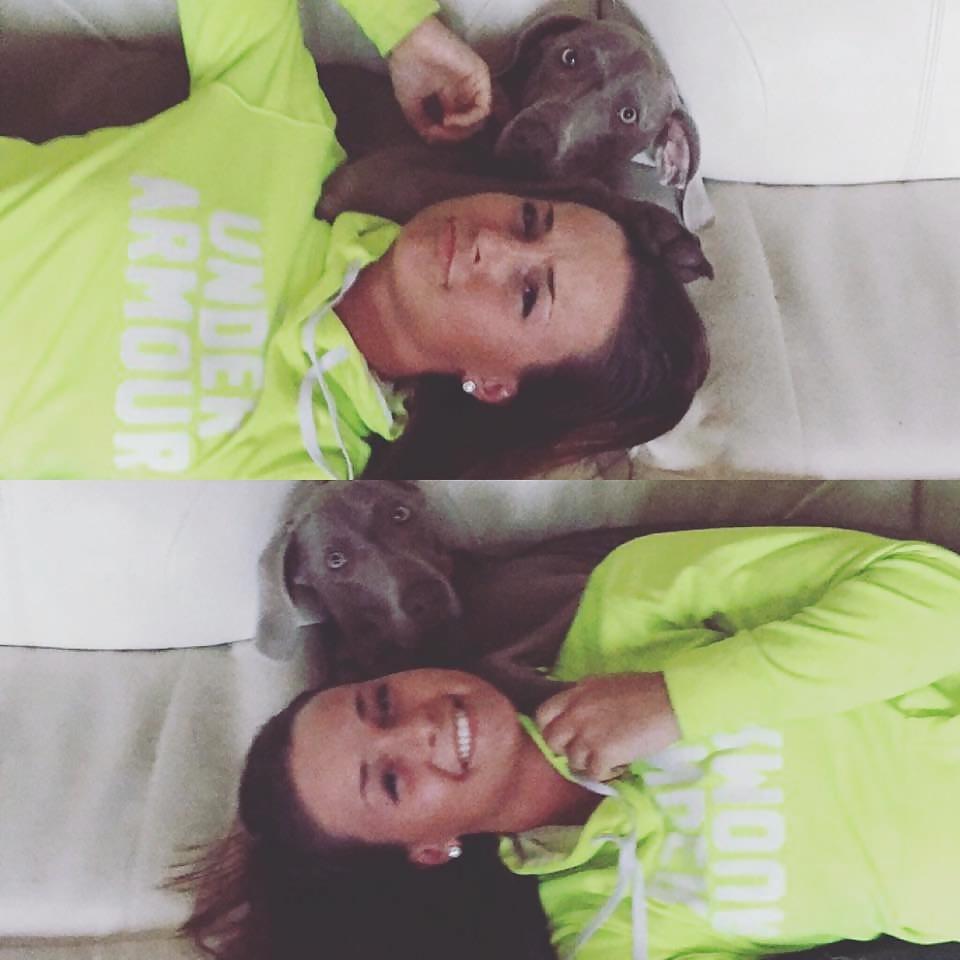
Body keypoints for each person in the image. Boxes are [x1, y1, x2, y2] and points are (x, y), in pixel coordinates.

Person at [0, 0, 709, 480]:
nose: (493, 247)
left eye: (528, 294)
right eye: (529, 220)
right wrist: (406, 32)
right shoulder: (285, 131)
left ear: (493, 384)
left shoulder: (305, 467)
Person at [180, 526, 960, 960]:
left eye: (381, 704)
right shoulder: (601, 935)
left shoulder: (629, 605)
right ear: (429, 850)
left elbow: (938, 597)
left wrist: (677, 697)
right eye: (390, 781)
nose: (417, 729)